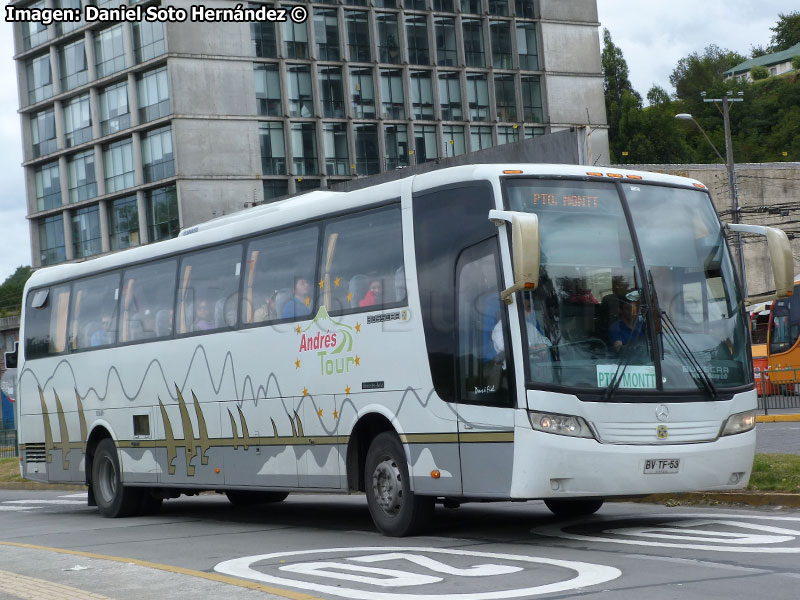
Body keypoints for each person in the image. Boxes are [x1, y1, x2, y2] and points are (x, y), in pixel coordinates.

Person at [492, 296, 551, 367]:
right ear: (518, 309)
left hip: (533, 367)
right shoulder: (501, 327)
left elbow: (546, 343)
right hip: (513, 371)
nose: (531, 311)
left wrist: (545, 347)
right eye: (528, 307)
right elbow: (505, 346)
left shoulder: (530, 326)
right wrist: (534, 347)